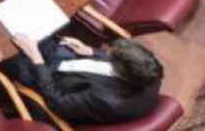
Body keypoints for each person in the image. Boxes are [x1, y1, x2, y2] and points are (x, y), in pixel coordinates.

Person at [8, 34, 164, 125]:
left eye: (110, 55)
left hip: (53, 84)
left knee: (11, 56)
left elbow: (57, 102)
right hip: (74, 69)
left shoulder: (107, 100)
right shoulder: (151, 70)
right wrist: (89, 51)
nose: (106, 52)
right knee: (43, 38)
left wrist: (36, 59)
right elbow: (120, 63)